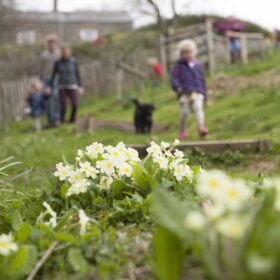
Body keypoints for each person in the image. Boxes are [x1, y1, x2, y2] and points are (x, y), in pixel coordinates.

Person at [171, 40, 208, 139]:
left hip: (197, 91)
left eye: (189, 52)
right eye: (184, 53)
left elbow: (202, 80)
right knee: (185, 112)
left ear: (194, 53)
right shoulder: (179, 66)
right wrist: (177, 86)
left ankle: (201, 127)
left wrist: (205, 95)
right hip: (184, 92)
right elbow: (174, 78)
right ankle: (182, 130)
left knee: (198, 108)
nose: (187, 55)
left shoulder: (197, 65)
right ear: (181, 54)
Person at [49, 44, 83, 123]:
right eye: (64, 51)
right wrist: (50, 86)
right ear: (61, 52)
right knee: (63, 106)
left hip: (73, 85)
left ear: (69, 52)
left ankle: (72, 119)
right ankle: (62, 120)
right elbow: (53, 75)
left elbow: (77, 74)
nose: (65, 53)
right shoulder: (58, 62)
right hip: (62, 86)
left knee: (75, 105)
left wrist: (80, 86)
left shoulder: (73, 61)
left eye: (67, 51)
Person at [39, 34, 61, 127]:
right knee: (47, 99)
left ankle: (57, 118)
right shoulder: (44, 55)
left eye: (53, 42)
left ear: (56, 43)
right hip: (46, 78)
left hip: (56, 78)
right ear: (47, 44)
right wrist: (41, 81)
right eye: (49, 42)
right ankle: (50, 119)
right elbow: (41, 68)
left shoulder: (59, 54)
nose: (51, 44)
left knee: (56, 96)